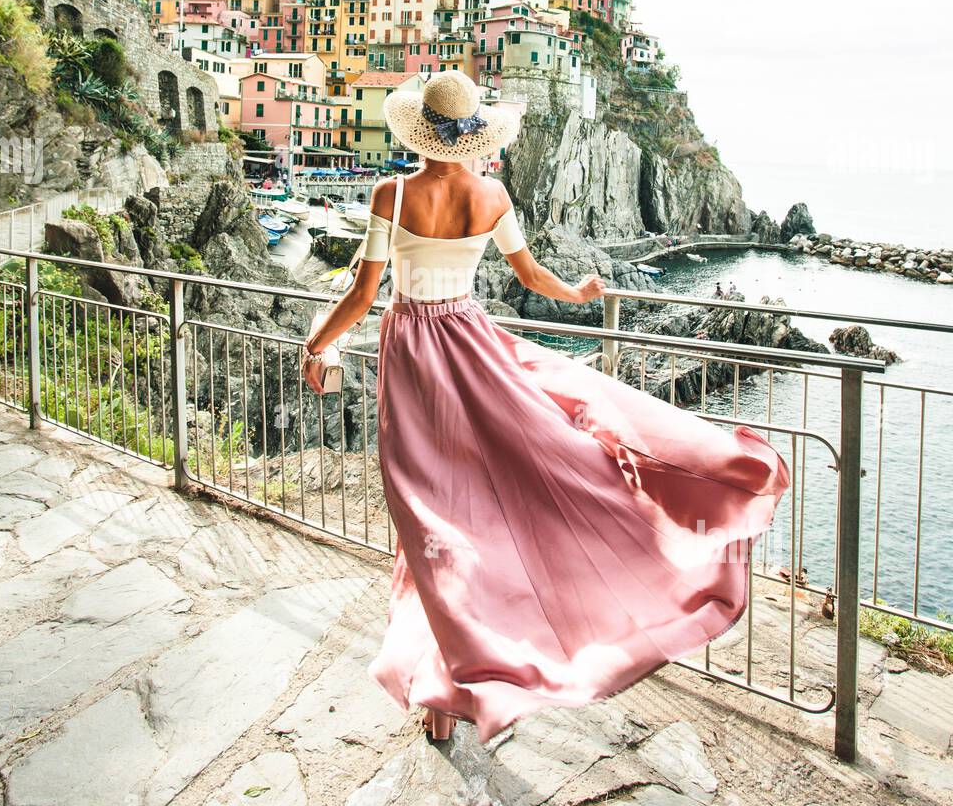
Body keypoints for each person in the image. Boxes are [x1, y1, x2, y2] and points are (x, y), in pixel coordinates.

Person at [301, 73, 789, 745]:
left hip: (413, 351)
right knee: (488, 497)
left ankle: (450, 695)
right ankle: (456, 682)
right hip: (470, 342)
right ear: (472, 134)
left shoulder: (394, 192)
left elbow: (363, 292)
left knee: (429, 516)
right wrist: (581, 291)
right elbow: (531, 278)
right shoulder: (492, 192)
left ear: (419, 131)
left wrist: (317, 341)